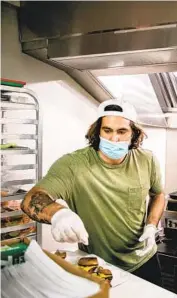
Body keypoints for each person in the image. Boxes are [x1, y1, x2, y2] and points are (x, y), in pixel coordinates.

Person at [21, 99, 165, 286]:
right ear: (97, 131)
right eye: (107, 130)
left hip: (144, 259)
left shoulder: (147, 160)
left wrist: (151, 226)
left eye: (122, 131)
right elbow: (31, 198)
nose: (114, 139)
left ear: (133, 134)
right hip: (97, 266)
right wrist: (58, 214)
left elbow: (158, 195)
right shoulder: (73, 165)